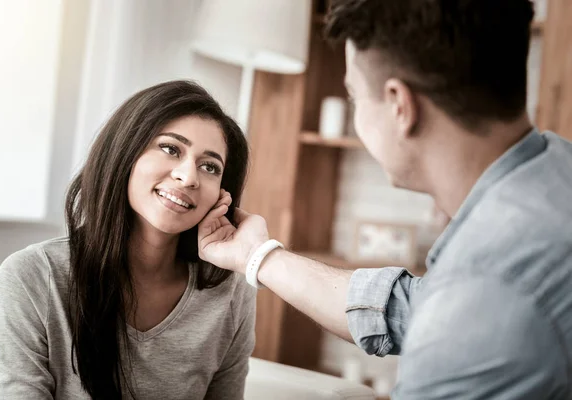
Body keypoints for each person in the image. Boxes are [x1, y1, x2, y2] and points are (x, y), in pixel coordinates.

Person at [198, 1, 572, 398]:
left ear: (399, 105)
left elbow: (460, 307)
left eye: (355, 97)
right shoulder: (555, 169)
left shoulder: (486, 285)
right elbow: (408, 307)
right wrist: (258, 256)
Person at [0, 80, 253, 400]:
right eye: (171, 148)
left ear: (222, 194)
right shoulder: (32, 276)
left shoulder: (230, 293)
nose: (189, 177)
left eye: (210, 166)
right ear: (125, 152)